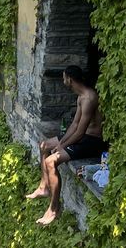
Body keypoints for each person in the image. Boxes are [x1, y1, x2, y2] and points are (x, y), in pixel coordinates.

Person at [26, 65, 107, 226]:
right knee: (44, 145)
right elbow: (74, 125)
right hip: (83, 136)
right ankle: (44, 187)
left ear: (69, 79)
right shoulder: (81, 97)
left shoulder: (90, 98)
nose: (63, 81)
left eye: (64, 78)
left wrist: (62, 147)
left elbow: (80, 132)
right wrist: (61, 143)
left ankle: (54, 208)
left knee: (50, 161)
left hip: (92, 141)